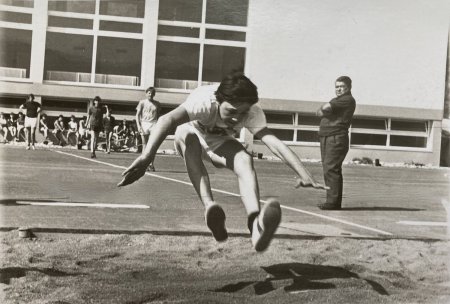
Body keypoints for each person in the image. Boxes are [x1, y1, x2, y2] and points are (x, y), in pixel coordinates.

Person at [118, 72, 327, 252]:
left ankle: (255, 225)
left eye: (242, 113)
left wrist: (303, 173)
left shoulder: (251, 110)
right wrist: (147, 157)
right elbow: (167, 120)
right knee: (190, 140)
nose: (237, 119)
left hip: (217, 141)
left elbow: (273, 142)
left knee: (245, 159)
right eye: (232, 112)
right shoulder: (204, 101)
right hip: (190, 131)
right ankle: (210, 208)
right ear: (219, 101)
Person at [316, 76, 356, 210]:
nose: (338, 89)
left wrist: (325, 110)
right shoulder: (337, 100)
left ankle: (333, 202)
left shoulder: (347, 99)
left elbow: (324, 108)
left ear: (348, 87)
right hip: (327, 136)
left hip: (336, 138)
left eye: (341, 87)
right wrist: (324, 110)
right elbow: (318, 113)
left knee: (331, 169)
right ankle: (331, 200)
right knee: (328, 169)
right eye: (336, 87)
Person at [136, 87, 161, 171]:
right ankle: (143, 164)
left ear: (154, 94)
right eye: (149, 93)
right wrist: (139, 126)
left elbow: (158, 116)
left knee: (152, 145)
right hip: (144, 124)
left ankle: (151, 164)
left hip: (153, 124)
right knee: (145, 145)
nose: (150, 94)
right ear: (146, 93)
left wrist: (158, 125)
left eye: (152, 93)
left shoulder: (157, 104)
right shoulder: (142, 102)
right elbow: (137, 115)